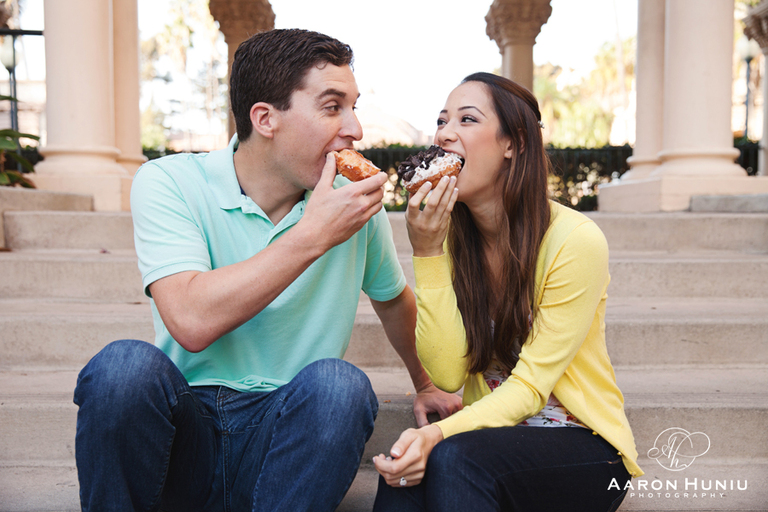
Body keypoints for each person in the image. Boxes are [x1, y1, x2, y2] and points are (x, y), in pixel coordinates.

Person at [72, 28, 461, 512]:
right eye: (332, 106)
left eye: (354, 106)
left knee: (341, 386)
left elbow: (392, 300)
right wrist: (312, 235)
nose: (356, 129)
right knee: (122, 368)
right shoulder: (169, 182)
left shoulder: (353, 206)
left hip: (289, 432)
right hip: (183, 432)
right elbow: (190, 320)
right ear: (265, 118)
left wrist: (426, 383)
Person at [371, 72, 644, 512]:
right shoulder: (456, 241)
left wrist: (436, 434)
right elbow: (446, 375)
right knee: (402, 474)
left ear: (512, 143)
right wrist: (427, 253)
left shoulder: (575, 240)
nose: (444, 134)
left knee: (454, 457)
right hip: (490, 437)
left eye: (467, 119)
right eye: (442, 121)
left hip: (580, 445)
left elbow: (532, 387)